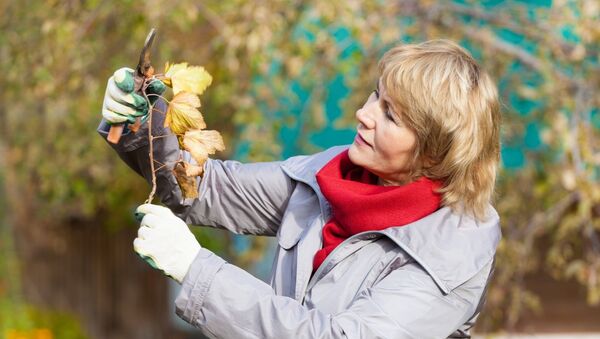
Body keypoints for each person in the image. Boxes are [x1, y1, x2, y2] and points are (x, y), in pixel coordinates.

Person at [98, 39, 501, 338]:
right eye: (376, 96)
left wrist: (198, 269)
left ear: (433, 154)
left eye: (391, 116)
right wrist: (136, 122)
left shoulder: (450, 253)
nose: (363, 114)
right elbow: (209, 188)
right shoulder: (331, 177)